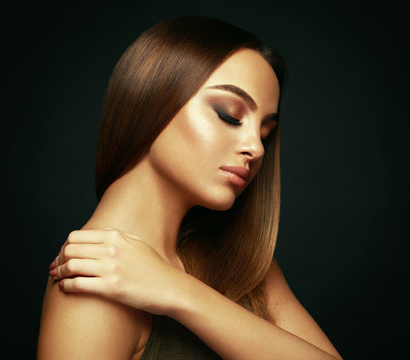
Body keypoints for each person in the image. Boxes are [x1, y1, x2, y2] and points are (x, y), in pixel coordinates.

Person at [37, 16, 342, 360]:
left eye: (264, 134)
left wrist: (177, 291)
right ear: (150, 100)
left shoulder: (241, 262)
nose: (255, 149)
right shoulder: (92, 281)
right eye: (229, 115)